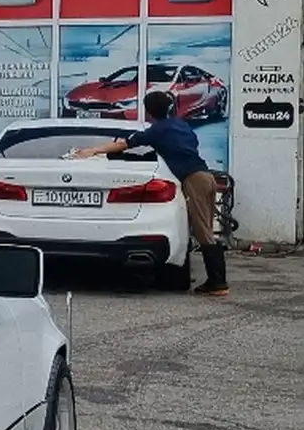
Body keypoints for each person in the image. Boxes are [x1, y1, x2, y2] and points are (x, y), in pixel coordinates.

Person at [75, 90, 228, 294]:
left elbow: (123, 144)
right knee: (207, 228)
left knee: (202, 231)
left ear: (148, 111)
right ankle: (216, 280)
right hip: (207, 176)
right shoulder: (181, 125)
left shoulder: (156, 130)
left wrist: (92, 151)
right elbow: (189, 145)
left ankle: (217, 283)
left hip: (193, 179)